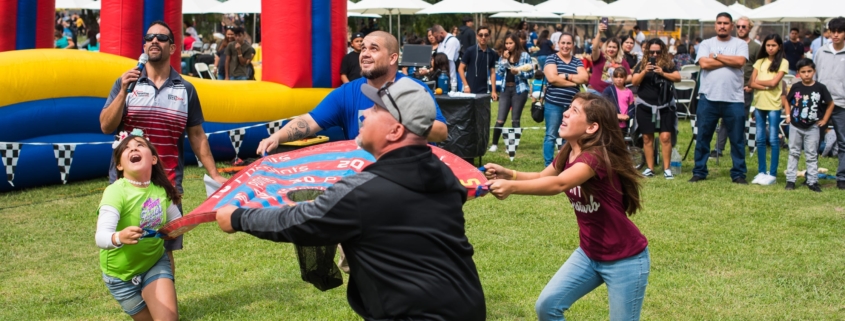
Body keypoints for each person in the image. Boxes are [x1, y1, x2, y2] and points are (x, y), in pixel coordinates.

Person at [217, 77, 487, 321]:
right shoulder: (443, 175)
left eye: (376, 108)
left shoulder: (365, 191)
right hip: (467, 305)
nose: (365, 113)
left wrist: (238, 217)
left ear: (395, 131)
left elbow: (300, 222)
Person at [483, 92, 649, 321]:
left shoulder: (595, 158)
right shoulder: (569, 151)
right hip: (589, 254)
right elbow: (543, 175)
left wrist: (511, 187)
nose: (565, 113)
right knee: (547, 306)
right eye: (568, 108)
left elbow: (559, 183)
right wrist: (509, 173)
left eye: (574, 111)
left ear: (591, 128)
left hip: (625, 259)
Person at [100, 21, 228, 274]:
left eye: (161, 38)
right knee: (129, 243)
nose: (154, 41)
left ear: (173, 47)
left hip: (168, 183)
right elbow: (106, 125)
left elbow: (197, 135)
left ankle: (163, 306)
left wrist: (214, 174)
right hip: (126, 184)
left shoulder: (186, 89)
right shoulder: (127, 83)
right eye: (150, 37)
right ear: (145, 45)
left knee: (164, 248)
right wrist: (123, 92)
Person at [255, 31, 448, 155]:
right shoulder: (348, 92)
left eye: (374, 49)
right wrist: (276, 137)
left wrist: (398, 120)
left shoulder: (413, 89)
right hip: (364, 175)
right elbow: (310, 121)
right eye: (363, 48)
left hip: (409, 173)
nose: (364, 53)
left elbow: (441, 132)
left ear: (392, 58)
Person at [96, 132, 181, 320]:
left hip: (154, 263)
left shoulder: (161, 190)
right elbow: (101, 237)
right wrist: (119, 237)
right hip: (119, 277)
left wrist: (182, 226)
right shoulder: (115, 192)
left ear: (153, 159)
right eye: (126, 148)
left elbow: (177, 223)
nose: (133, 148)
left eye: (140, 145)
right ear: (119, 165)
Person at [690, 12, 749, 184]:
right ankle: (699, 171)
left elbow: (740, 62)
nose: (722, 26)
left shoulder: (740, 43)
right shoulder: (706, 43)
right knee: (703, 137)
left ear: (732, 26)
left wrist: (716, 56)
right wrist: (728, 60)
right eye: (719, 23)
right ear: (715, 25)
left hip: (734, 98)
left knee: (737, 139)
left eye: (726, 23)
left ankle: (738, 174)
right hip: (709, 97)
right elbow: (704, 64)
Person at [711, 16, 760, 160]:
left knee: (738, 120)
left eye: (744, 27)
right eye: (738, 26)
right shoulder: (731, 44)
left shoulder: (755, 47)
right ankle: (718, 148)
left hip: (744, 88)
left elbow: (759, 68)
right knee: (724, 120)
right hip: (727, 87)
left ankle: (735, 149)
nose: (741, 29)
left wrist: (751, 85)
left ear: (750, 28)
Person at [632, 38, 682, 180]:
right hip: (645, 105)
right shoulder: (642, 64)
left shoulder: (668, 64)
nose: (654, 55)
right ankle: (650, 168)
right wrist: (644, 71)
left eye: (658, 52)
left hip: (665, 105)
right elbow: (634, 81)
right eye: (652, 52)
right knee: (647, 138)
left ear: (663, 52)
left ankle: (667, 169)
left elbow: (678, 78)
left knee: (665, 137)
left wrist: (662, 73)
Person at [783, 58, 834, 192]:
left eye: (809, 71)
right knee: (794, 152)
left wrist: (825, 119)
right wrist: (788, 116)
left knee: (811, 154)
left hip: (812, 127)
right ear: (798, 73)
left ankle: (812, 181)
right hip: (796, 125)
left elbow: (830, 104)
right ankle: (790, 180)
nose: (806, 74)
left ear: (814, 71)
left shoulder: (820, 87)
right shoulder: (796, 87)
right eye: (803, 72)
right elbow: (787, 101)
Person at [542, 33, 589, 166]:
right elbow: (552, 78)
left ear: (573, 45)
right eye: (563, 43)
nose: (565, 46)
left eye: (568, 43)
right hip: (553, 104)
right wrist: (574, 82)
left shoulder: (577, 61)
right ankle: (548, 165)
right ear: (558, 43)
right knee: (551, 135)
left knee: (569, 137)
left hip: (572, 106)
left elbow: (585, 78)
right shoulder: (551, 58)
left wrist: (565, 76)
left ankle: (564, 164)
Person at [749, 33, 788, 186]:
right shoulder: (759, 61)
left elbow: (775, 82)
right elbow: (751, 83)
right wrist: (766, 84)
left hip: (774, 105)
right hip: (759, 104)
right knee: (760, 139)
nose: (770, 48)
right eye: (768, 45)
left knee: (773, 139)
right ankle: (761, 172)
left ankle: (772, 174)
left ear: (779, 47)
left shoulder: (783, 62)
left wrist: (761, 82)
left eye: (774, 45)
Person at [813, 17, 845, 189]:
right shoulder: (821, 51)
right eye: (833, 31)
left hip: (842, 103)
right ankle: (812, 176)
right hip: (821, 103)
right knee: (814, 140)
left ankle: (842, 178)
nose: (835, 35)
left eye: (839, 31)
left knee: (843, 142)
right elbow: (814, 76)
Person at [489, 34, 534, 152]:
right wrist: (504, 60)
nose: (508, 46)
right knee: (500, 118)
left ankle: (512, 146)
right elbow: (499, 72)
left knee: (515, 119)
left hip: (519, 89)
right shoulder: (504, 56)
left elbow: (531, 73)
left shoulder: (524, 56)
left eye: (511, 43)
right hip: (505, 90)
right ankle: (494, 144)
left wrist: (518, 73)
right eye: (506, 43)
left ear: (516, 43)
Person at [589, 24, 631, 94]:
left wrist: (619, 79)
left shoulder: (622, 61)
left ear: (618, 49)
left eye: (614, 47)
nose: (611, 49)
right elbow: (594, 48)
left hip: (611, 93)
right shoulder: (600, 56)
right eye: (609, 47)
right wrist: (599, 33)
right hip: (594, 91)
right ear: (606, 47)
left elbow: (629, 77)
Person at [458, 26, 498, 95]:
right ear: (477, 36)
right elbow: (460, 68)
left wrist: (494, 91)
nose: (483, 37)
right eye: (480, 35)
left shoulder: (492, 53)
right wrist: (466, 85)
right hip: (470, 89)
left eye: (486, 35)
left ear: (489, 36)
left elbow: (492, 73)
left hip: (484, 90)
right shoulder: (470, 50)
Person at [602, 68, 635, 133]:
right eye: (616, 77)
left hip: (624, 124)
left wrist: (628, 116)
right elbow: (603, 105)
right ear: (613, 78)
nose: (619, 79)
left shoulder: (629, 92)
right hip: (611, 123)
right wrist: (616, 115)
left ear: (625, 78)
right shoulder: (608, 90)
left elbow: (631, 107)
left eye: (621, 77)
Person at [433, 24, 461, 91]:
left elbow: (449, 63)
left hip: (452, 76)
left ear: (441, 33)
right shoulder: (441, 43)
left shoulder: (451, 41)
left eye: (437, 37)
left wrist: (453, 84)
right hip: (442, 75)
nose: (436, 39)